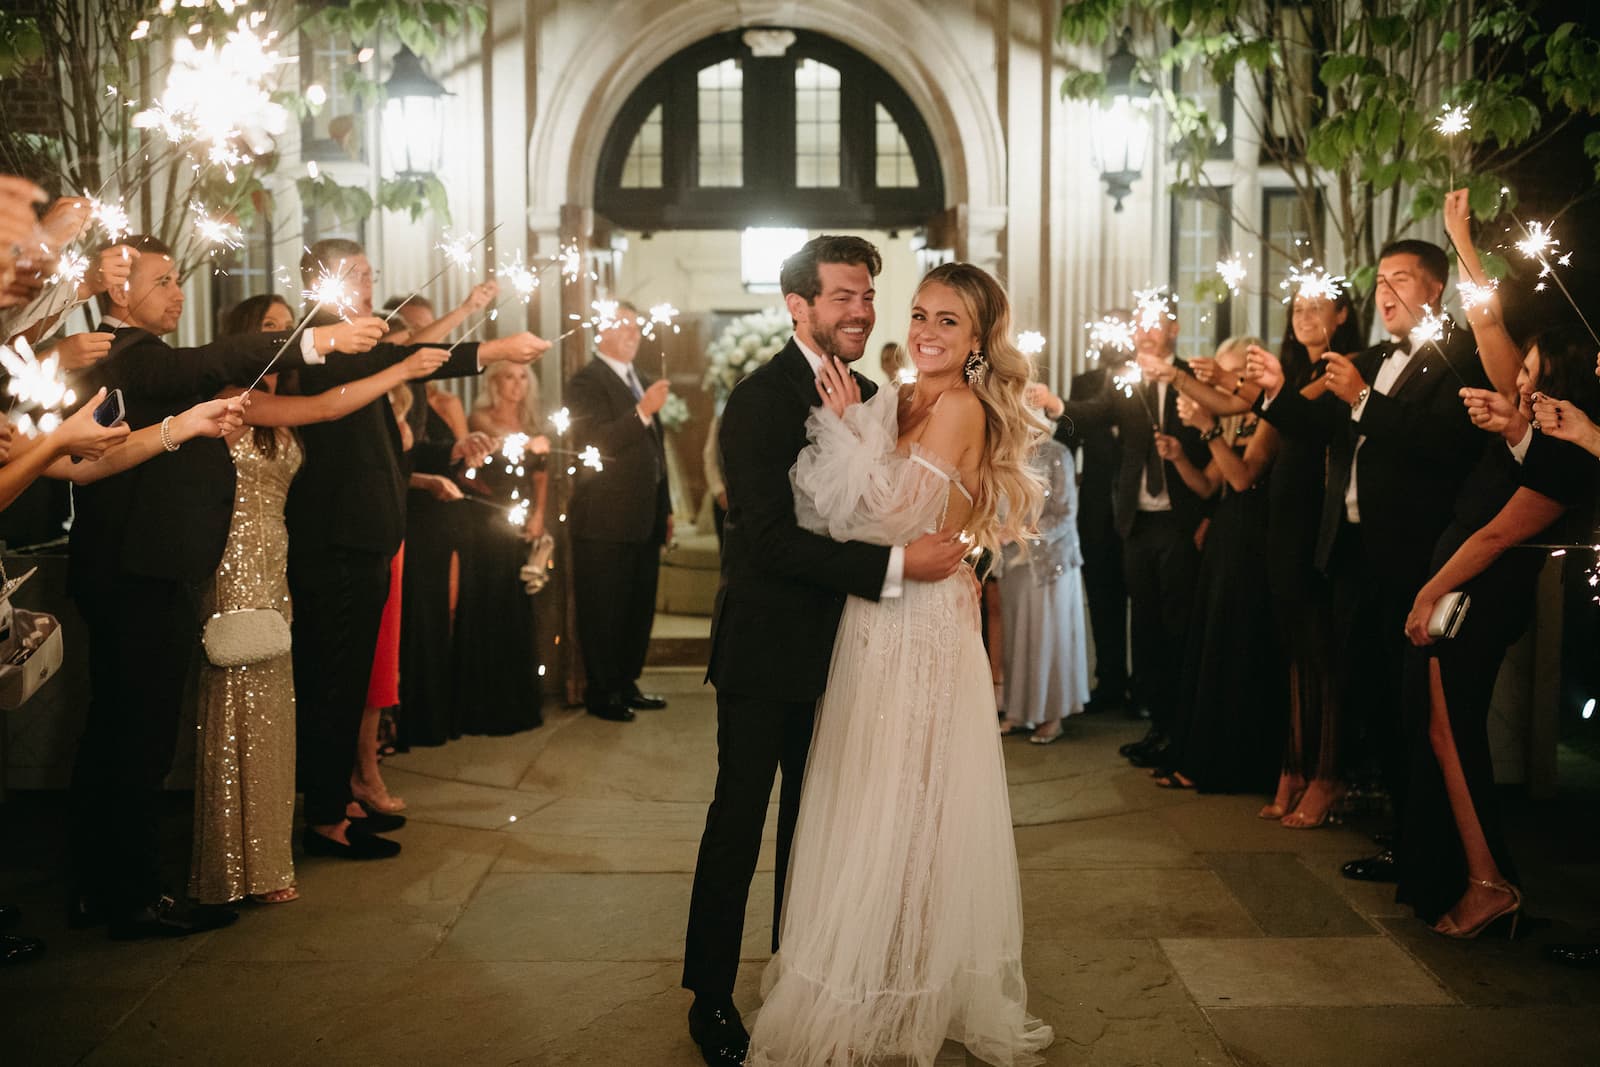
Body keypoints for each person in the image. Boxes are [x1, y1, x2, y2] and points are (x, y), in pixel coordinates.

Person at [746, 262, 1053, 1067]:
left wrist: (846, 432)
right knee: (861, 792)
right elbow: (840, 514)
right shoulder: (903, 396)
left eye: (949, 321)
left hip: (921, 627)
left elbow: (885, 514)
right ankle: (875, 968)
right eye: (919, 313)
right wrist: (861, 427)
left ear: (981, 339)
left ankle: (900, 987)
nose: (925, 330)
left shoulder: (956, 406)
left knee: (907, 801)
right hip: (874, 617)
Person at [682, 236, 967, 1066]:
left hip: (853, 651)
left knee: (821, 827)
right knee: (740, 819)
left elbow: (904, 499)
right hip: (767, 647)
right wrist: (894, 566)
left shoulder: (875, 397)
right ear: (797, 305)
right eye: (843, 296)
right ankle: (708, 994)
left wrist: (952, 558)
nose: (861, 310)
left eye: (867, 295)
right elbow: (768, 543)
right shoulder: (758, 402)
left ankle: (799, 974)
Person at [64, 235, 387, 937]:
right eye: (164, 281)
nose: (179, 293)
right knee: (136, 739)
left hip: (147, 566)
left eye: (180, 280)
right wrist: (312, 341)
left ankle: (105, 885)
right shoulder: (127, 353)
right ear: (120, 292)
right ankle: (129, 894)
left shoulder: (147, 359)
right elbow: (212, 361)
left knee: (125, 732)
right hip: (134, 569)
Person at [1249, 205, 1521, 883]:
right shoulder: (1365, 358)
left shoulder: (1458, 357)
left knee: (1414, 706)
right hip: (1350, 556)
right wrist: (1275, 391)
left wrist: (1368, 400)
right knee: (1366, 694)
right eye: (1380, 280)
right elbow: (1309, 425)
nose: (1387, 292)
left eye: (1402, 278)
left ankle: (1429, 847)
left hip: (1415, 554)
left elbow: (1444, 446)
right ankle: (1404, 834)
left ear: (1434, 289)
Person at [284, 237, 546, 862]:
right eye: (353, 274)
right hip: (337, 540)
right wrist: (491, 348)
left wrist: (445, 454)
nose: (367, 284)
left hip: (367, 537)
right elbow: (413, 355)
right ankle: (323, 816)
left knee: (349, 683)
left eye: (370, 273)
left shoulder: (362, 349)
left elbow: (390, 442)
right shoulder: (322, 342)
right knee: (331, 683)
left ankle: (340, 800)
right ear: (317, 283)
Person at [188, 296, 453, 905]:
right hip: (238, 564)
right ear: (241, 337)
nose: (284, 336)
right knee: (245, 706)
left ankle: (278, 837)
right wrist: (401, 371)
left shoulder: (286, 397)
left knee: (284, 702)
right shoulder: (239, 395)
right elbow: (332, 408)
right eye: (270, 328)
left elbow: (331, 407)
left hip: (277, 561)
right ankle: (244, 850)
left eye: (288, 326)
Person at [1397, 326, 1600, 937]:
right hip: (1460, 588)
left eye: (1533, 375)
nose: (1519, 382)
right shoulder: (1532, 441)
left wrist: (1428, 592)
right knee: (1438, 729)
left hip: (1477, 599)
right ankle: (1464, 872)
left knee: (1450, 730)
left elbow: (1496, 535)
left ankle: (1489, 882)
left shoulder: (1562, 457)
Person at [1042, 292, 1210, 767]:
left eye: (1155, 323)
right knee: (1148, 627)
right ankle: (1157, 725)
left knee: (1178, 626)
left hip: (1179, 521)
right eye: (1140, 324)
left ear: (1173, 329)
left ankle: (1183, 726)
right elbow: (1094, 413)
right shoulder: (1123, 383)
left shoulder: (1195, 379)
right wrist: (1056, 403)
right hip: (1135, 523)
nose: (1145, 331)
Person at [1147, 337, 1283, 793]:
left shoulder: (1267, 415)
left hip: (1255, 539)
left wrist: (1206, 430)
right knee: (1210, 645)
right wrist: (1180, 455)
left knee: (1237, 647)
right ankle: (1198, 755)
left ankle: (1231, 763)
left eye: (1225, 376)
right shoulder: (1231, 420)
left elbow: (1243, 479)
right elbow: (1208, 486)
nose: (1216, 386)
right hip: (1225, 532)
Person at [564, 300, 671, 722]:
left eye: (636, 325)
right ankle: (603, 691)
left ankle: (627, 681)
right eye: (623, 325)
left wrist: (666, 507)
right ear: (601, 330)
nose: (634, 332)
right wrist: (642, 412)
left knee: (637, 607)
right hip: (604, 517)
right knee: (604, 607)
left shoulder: (640, 379)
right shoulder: (585, 382)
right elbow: (594, 444)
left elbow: (656, 454)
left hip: (644, 515)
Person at [454, 360, 549, 735]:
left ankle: (518, 701)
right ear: (495, 382)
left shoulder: (533, 422)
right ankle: (484, 705)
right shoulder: (479, 417)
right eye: (509, 376)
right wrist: (527, 443)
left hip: (521, 521)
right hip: (488, 522)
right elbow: (496, 444)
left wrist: (540, 514)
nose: (516, 384)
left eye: (522, 377)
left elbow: (540, 475)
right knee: (488, 603)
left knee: (517, 604)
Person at [997, 433, 1088, 743]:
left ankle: (1053, 715)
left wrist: (1019, 531)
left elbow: (1066, 514)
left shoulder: (1057, 453)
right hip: (1012, 561)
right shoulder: (1001, 450)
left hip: (1050, 561)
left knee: (1049, 639)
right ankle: (1020, 711)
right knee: (1017, 637)